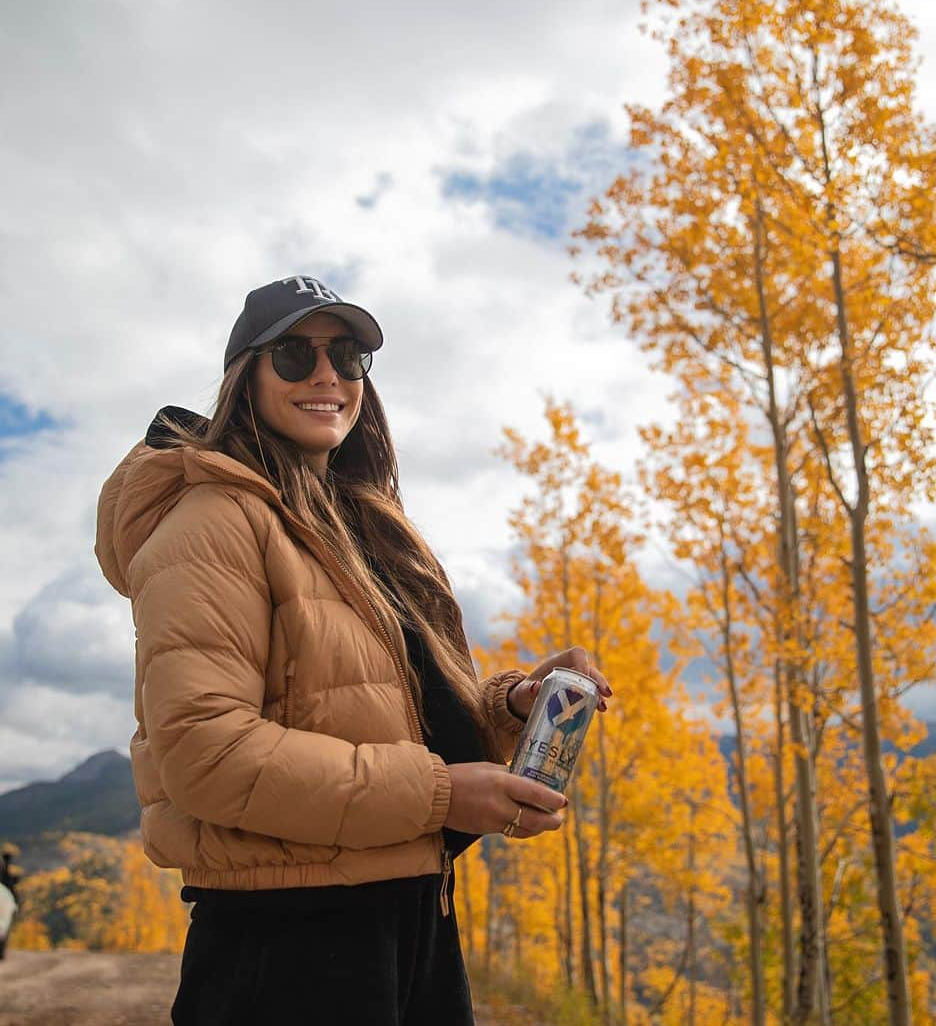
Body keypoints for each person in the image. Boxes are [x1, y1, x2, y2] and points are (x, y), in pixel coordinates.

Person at [94, 275, 612, 1025]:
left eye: (347, 354)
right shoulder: (210, 523)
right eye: (295, 356)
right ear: (246, 377)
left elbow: (371, 715)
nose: (328, 375)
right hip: (288, 948)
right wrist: (443, 795)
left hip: (410, 918)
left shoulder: (358, 525)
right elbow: (205, 754)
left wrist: (511, 707)